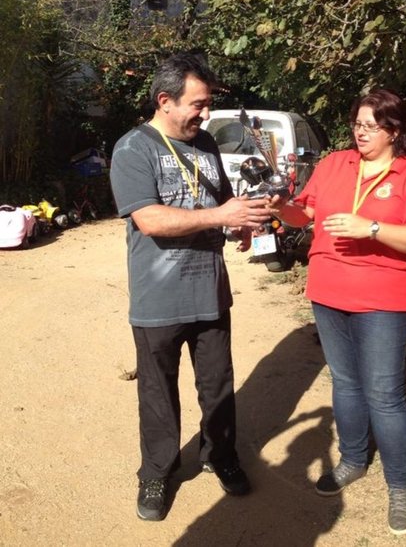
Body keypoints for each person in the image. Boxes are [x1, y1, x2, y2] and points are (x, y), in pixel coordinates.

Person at [271, 89, 406, 536]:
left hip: (384, 300)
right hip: (328, 293)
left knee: (384, 393)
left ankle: (400, 485)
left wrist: (370, 228)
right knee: (346, 383)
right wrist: (281, 208)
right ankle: (352, 460)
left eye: (372, 125)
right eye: (357, 123)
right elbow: (303, 213)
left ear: (394, 131)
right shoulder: (334, 165)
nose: (361, 132)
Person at [110, 52, 272, 522]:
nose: (204, 114)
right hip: (157, 298)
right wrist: (221, 216)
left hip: (210, 293)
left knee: (218, 385)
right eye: (197, 105)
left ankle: (220, 455)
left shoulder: (204, 144)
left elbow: (220, 200)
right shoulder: (132, 148)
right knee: (158, 393)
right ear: (165, 101)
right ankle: (157, 471)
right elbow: (149, 218)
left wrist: (242, 222)